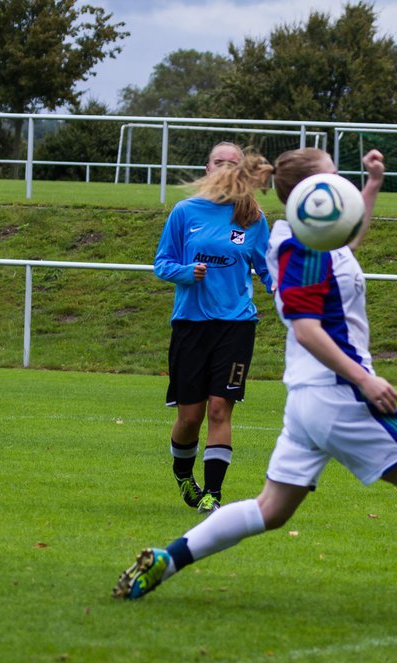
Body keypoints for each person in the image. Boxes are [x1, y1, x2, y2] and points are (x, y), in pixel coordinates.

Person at [114, 147, 397, 620]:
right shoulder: (302, 248)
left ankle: (168, 559)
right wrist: (365, 380)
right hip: (338, 393)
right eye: (332, 175)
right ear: (311, 192)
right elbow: (306, 328)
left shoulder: (307, 236)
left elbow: (350, 234)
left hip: (308, 399)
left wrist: (374, 185)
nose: (339, 183)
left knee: (271, 509)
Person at [152, 142, 273, 515]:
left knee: (221, 409)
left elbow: (270, 271)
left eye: (231, 163)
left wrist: (293, 295)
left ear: (241, 172)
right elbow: (162, 264)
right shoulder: (185, 212)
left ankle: (213, 493)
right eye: (218, 162)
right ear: (207, 169)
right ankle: (184, 475)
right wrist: (187, 273)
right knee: (191, 417)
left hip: (236, 326)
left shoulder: (252, 218)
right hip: (191, 325)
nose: (224, 167)